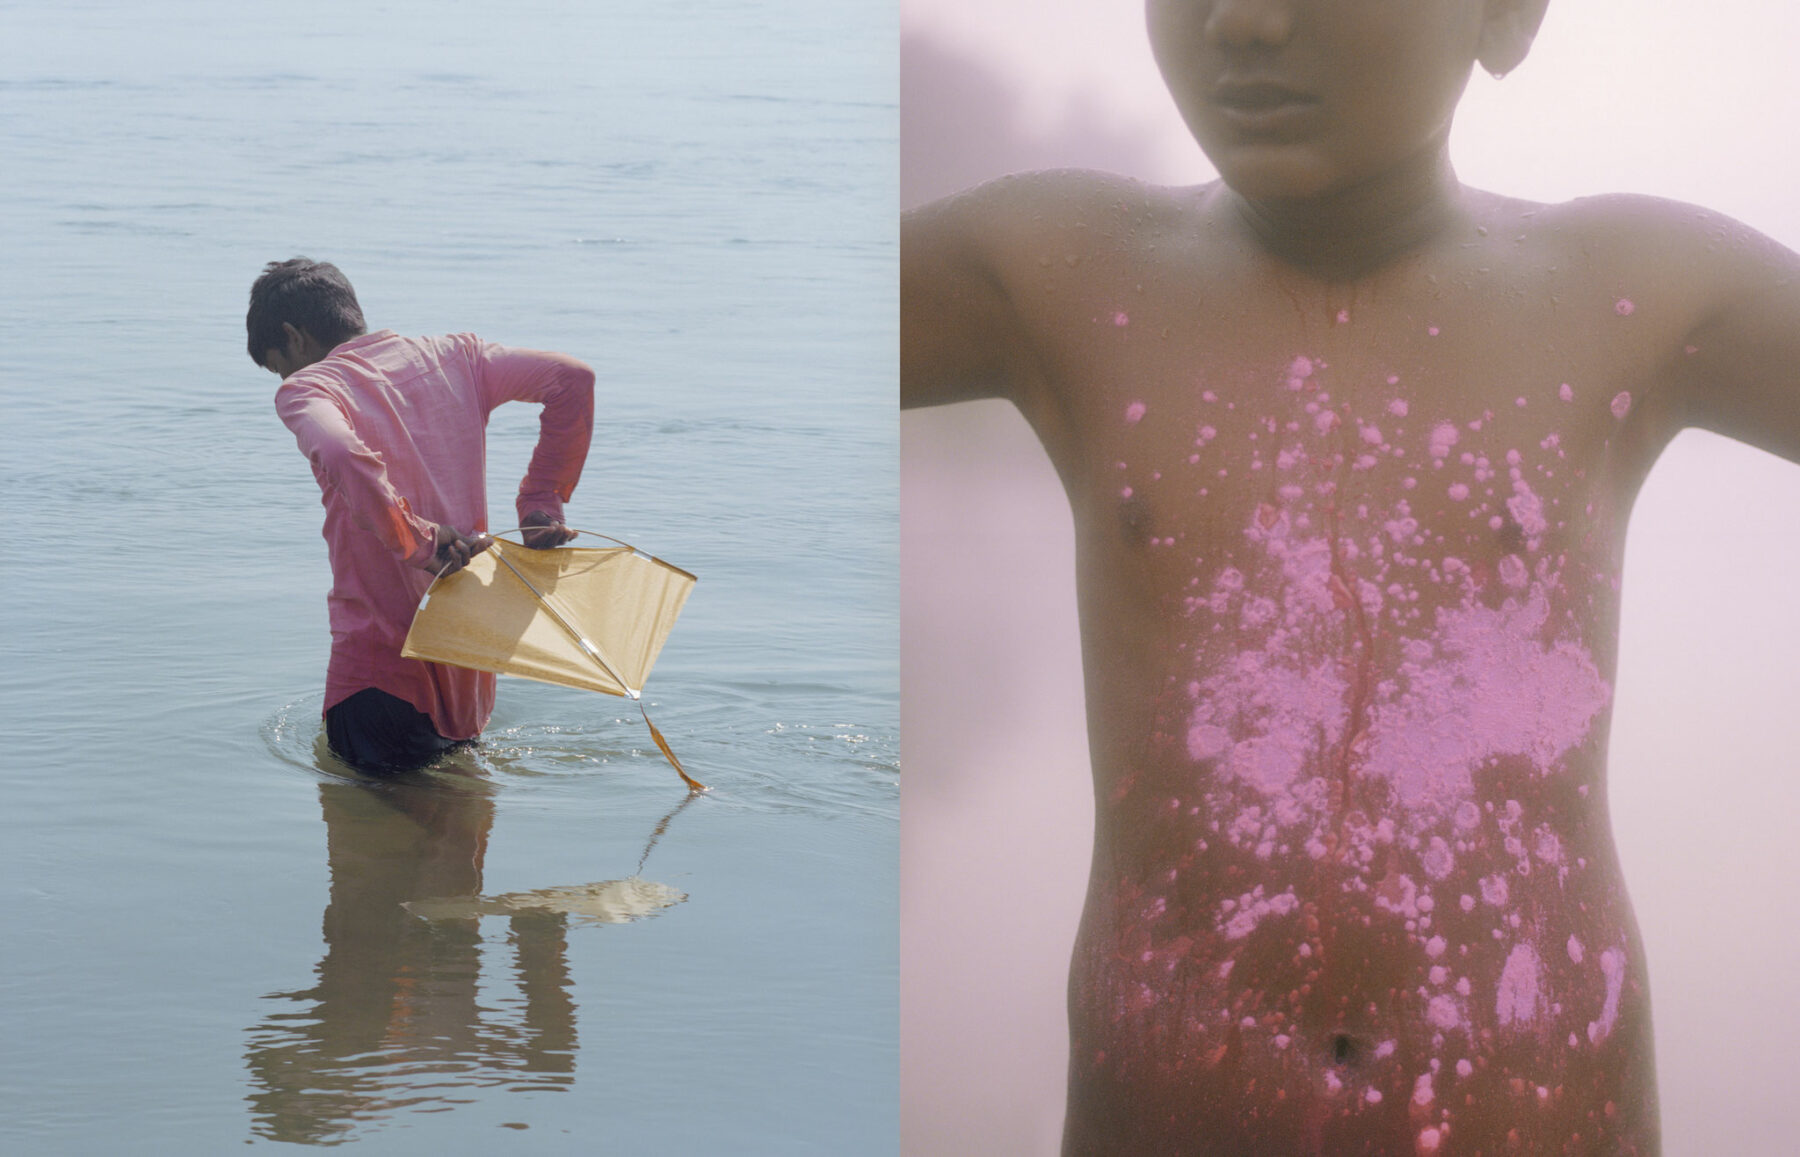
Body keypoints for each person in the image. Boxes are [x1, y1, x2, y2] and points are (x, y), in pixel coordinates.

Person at [903, 1, 1800, 1153]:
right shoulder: (1056, 276)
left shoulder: (1635, 294)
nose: (1246, 22)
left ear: (1507, 14)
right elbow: (745, 320)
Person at [250, 257, 593, 775]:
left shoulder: (312, 388)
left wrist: (420, 542)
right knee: (460, 844)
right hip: (468, 674)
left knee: (378, 847)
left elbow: (341, 454)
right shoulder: (459, 358)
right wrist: (541, 501)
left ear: (293, 337)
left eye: (279, 364)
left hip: (378, 675)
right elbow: (572, 379)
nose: (287, 377)